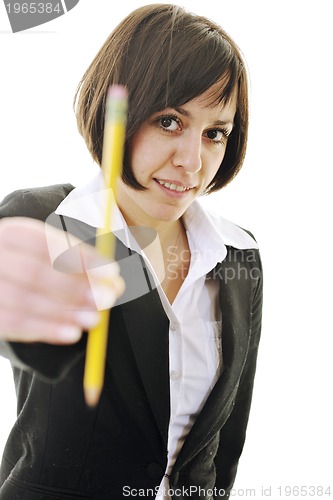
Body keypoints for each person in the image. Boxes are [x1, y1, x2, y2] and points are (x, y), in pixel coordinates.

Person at [0, 4, 263, 499]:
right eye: (169, 121)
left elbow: (226, 439)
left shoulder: (237, 253)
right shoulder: (46, 220)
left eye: (215, 134)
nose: (192, 161)